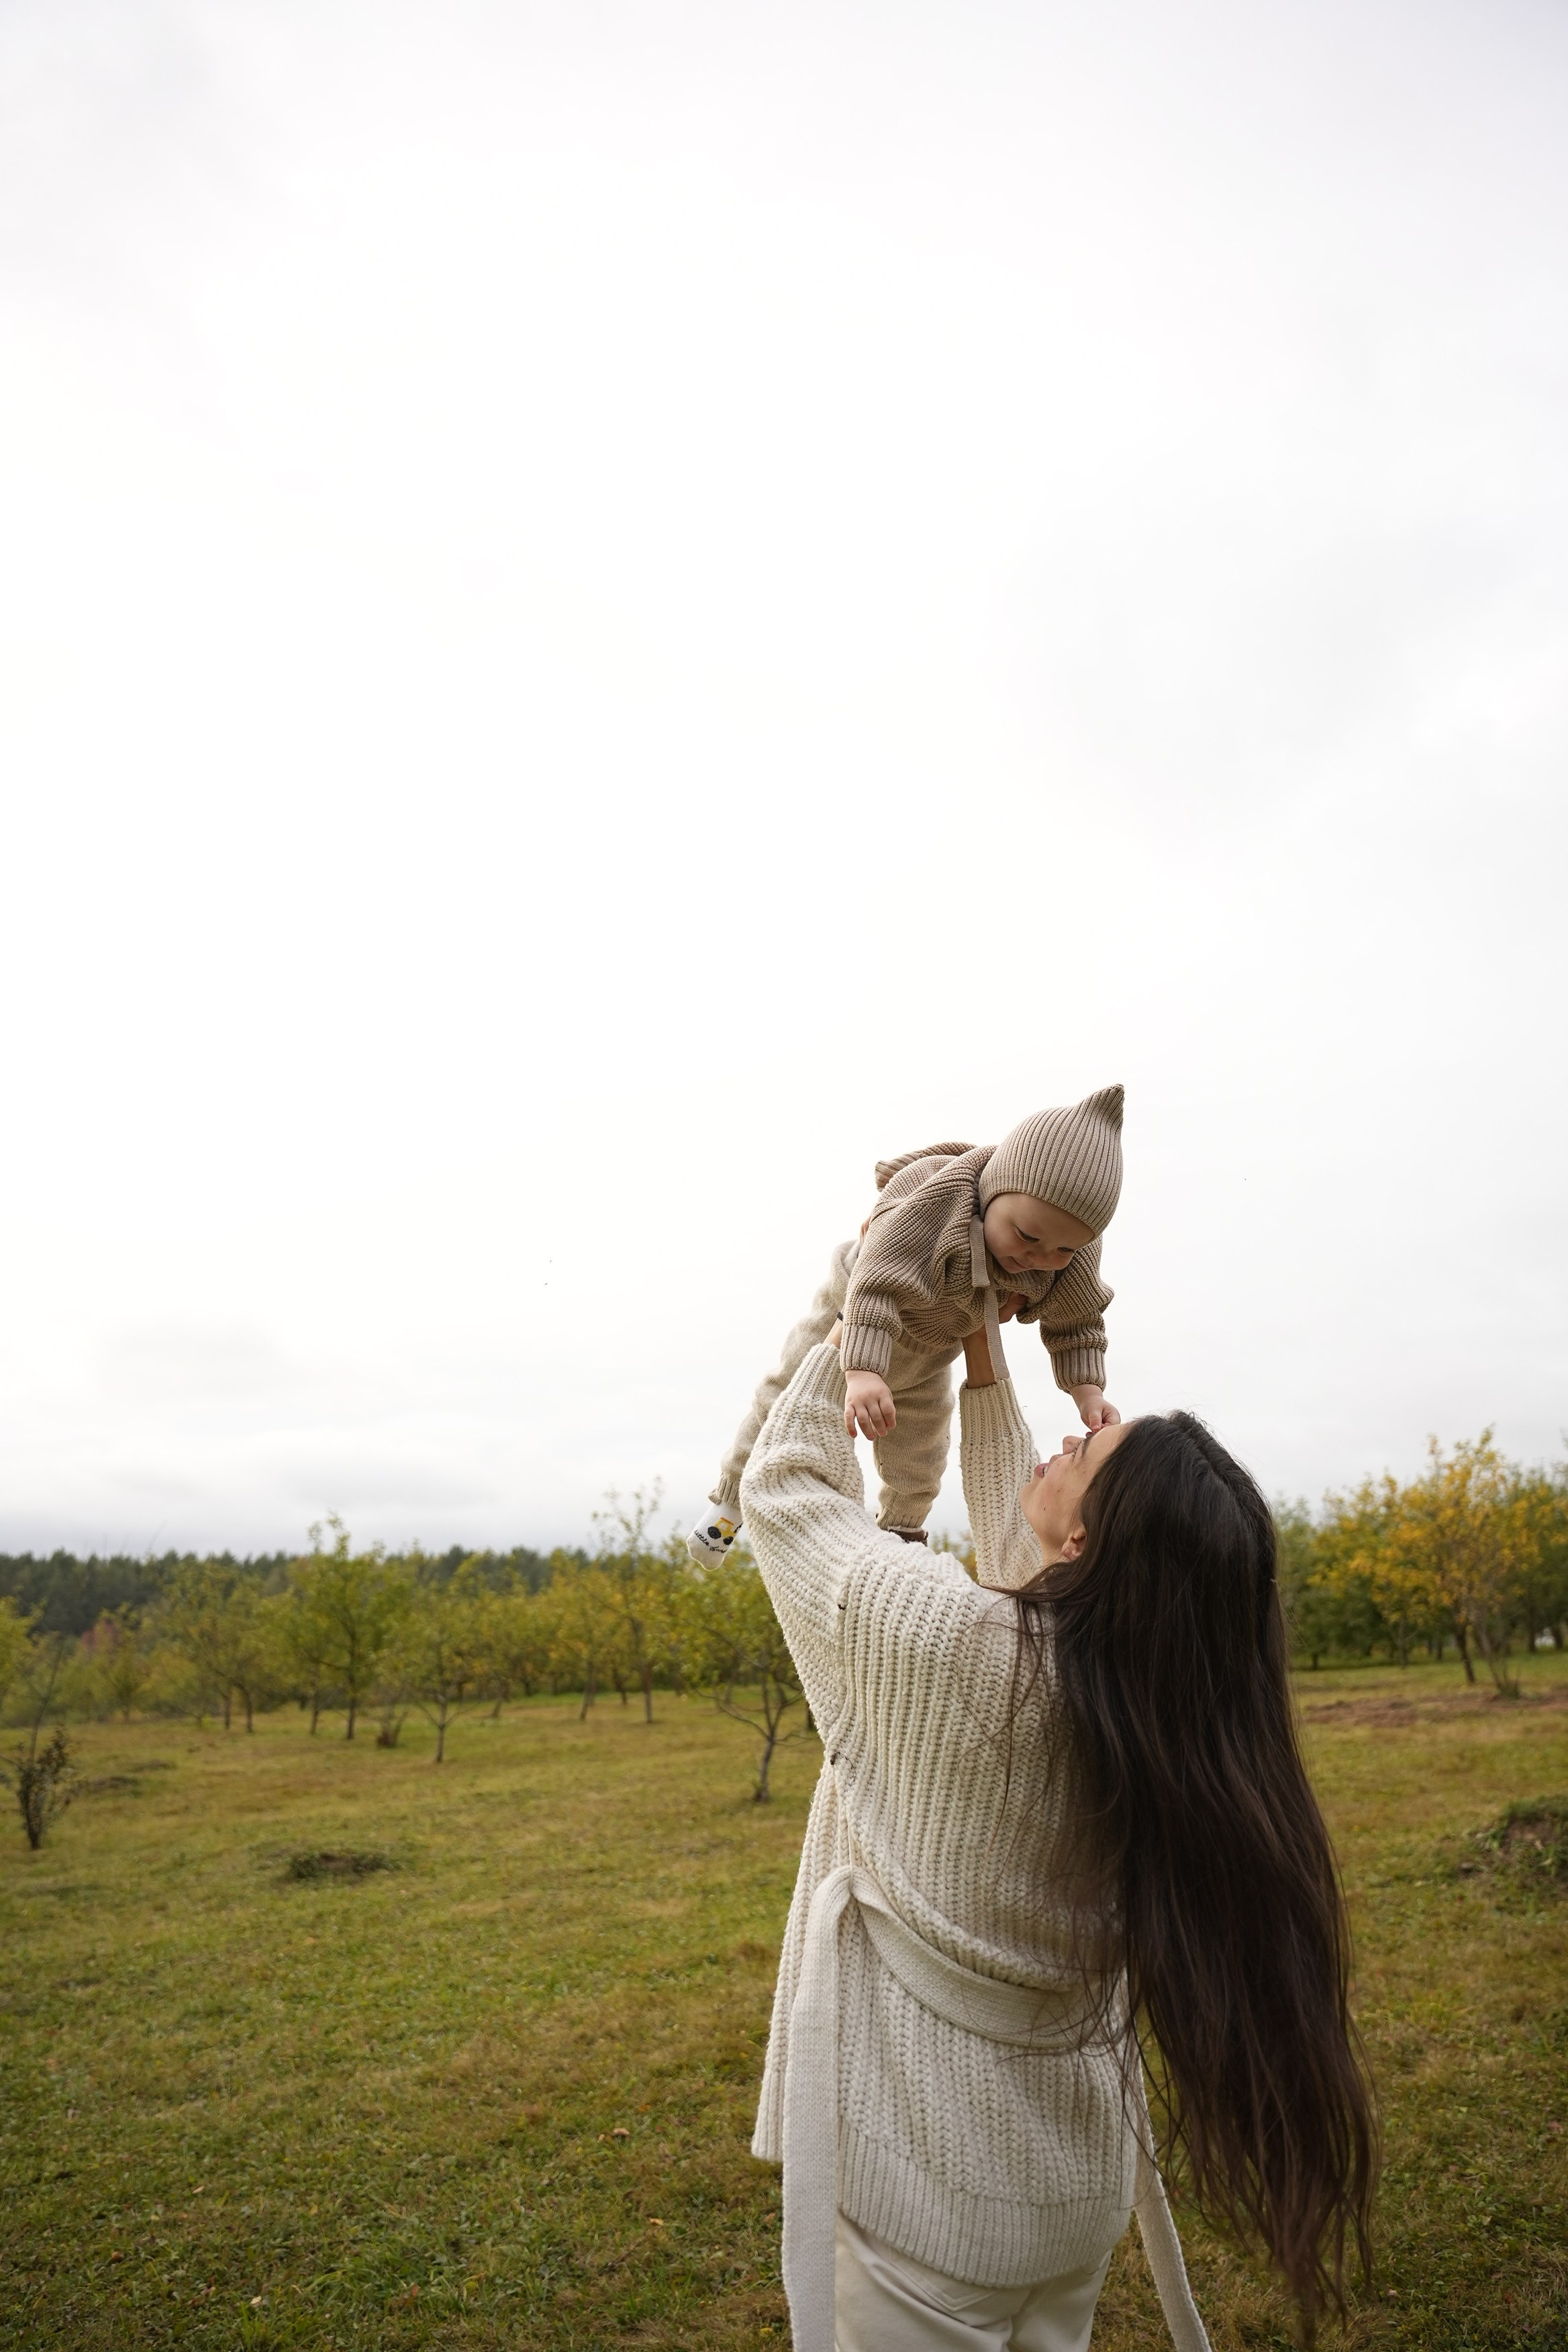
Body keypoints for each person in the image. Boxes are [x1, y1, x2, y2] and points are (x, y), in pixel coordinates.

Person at [738, 1315, 1376, 2352]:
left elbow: (785, 1493)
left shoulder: (946, 1643)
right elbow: (1031, 1561)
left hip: (927, 2192)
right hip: (1070, 2188)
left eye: (1089, 1452)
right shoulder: (1160, 1700)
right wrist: (984, 1363)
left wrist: (868, 1312)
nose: (1070, 1439)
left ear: (1090, 1544)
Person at [688, 1085, 1125, 1568]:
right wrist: (861, 1371)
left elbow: (1078, 1319)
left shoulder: (1068, 1250)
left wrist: (1087, 1391)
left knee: (922, 1445)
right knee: (786, 1399)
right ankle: (727, 1507)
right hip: (858, 1312)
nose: (1040, 1258)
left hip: (934, 1344)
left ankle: (900, 1533)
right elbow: (876, 1283)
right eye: (1027, 1236)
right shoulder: (938, 1202)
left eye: (1063, 1251)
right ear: (993, 1190)